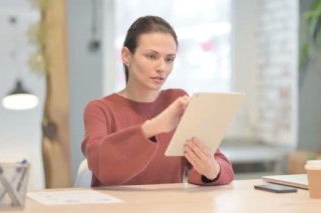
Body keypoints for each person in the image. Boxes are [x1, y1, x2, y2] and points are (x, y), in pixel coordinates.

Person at [81, 15, 234, 187]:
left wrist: (212, 171)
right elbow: (100, 164)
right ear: (126, 56)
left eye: (169, 59)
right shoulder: (100, 109)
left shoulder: (177, 100)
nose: (162, 67)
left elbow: (221, 165)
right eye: (151, 56)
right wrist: (154, 127)